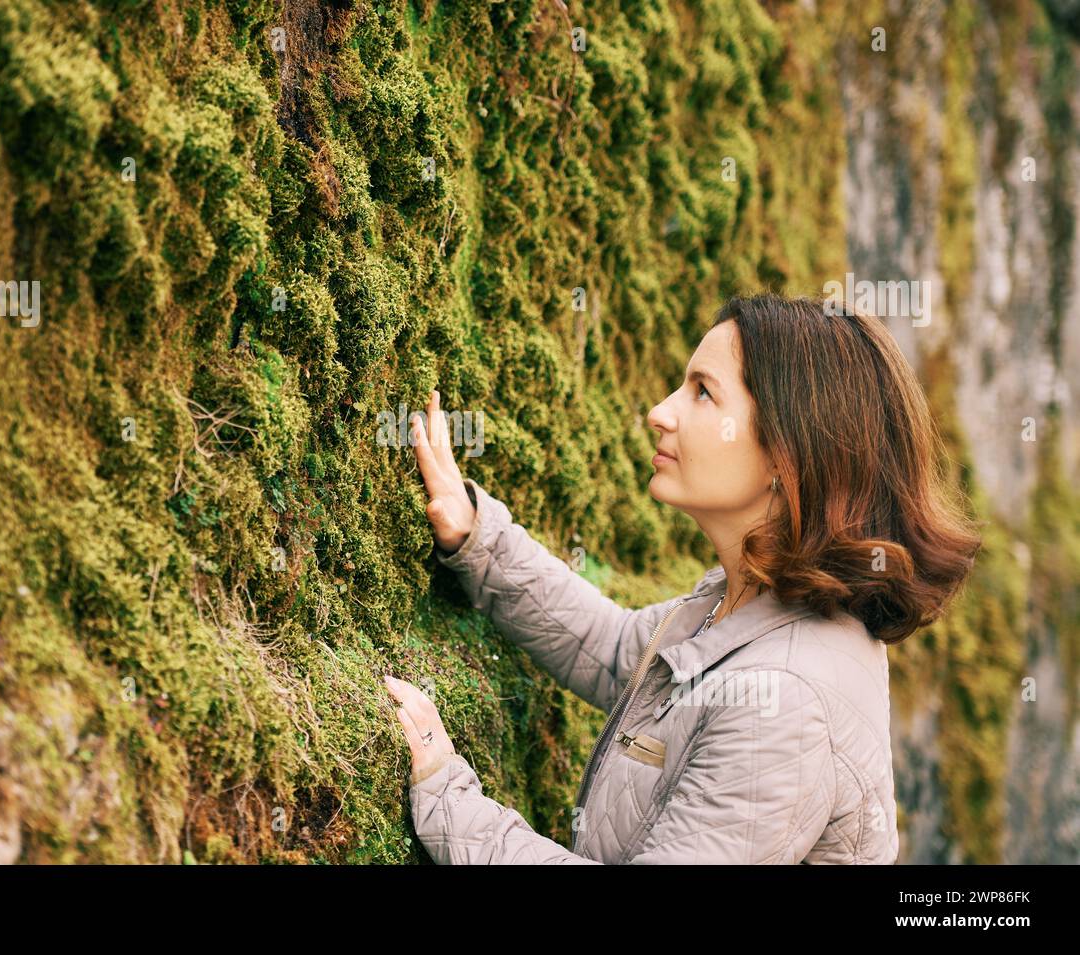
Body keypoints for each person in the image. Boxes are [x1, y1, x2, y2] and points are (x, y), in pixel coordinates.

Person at [384, 293, 982, 863]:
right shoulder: (750, 598)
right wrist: (477, 537)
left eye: (702, 393)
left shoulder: (786, 701)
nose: (659, 412)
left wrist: (448, 798)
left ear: (789, 455)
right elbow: (620, 651)